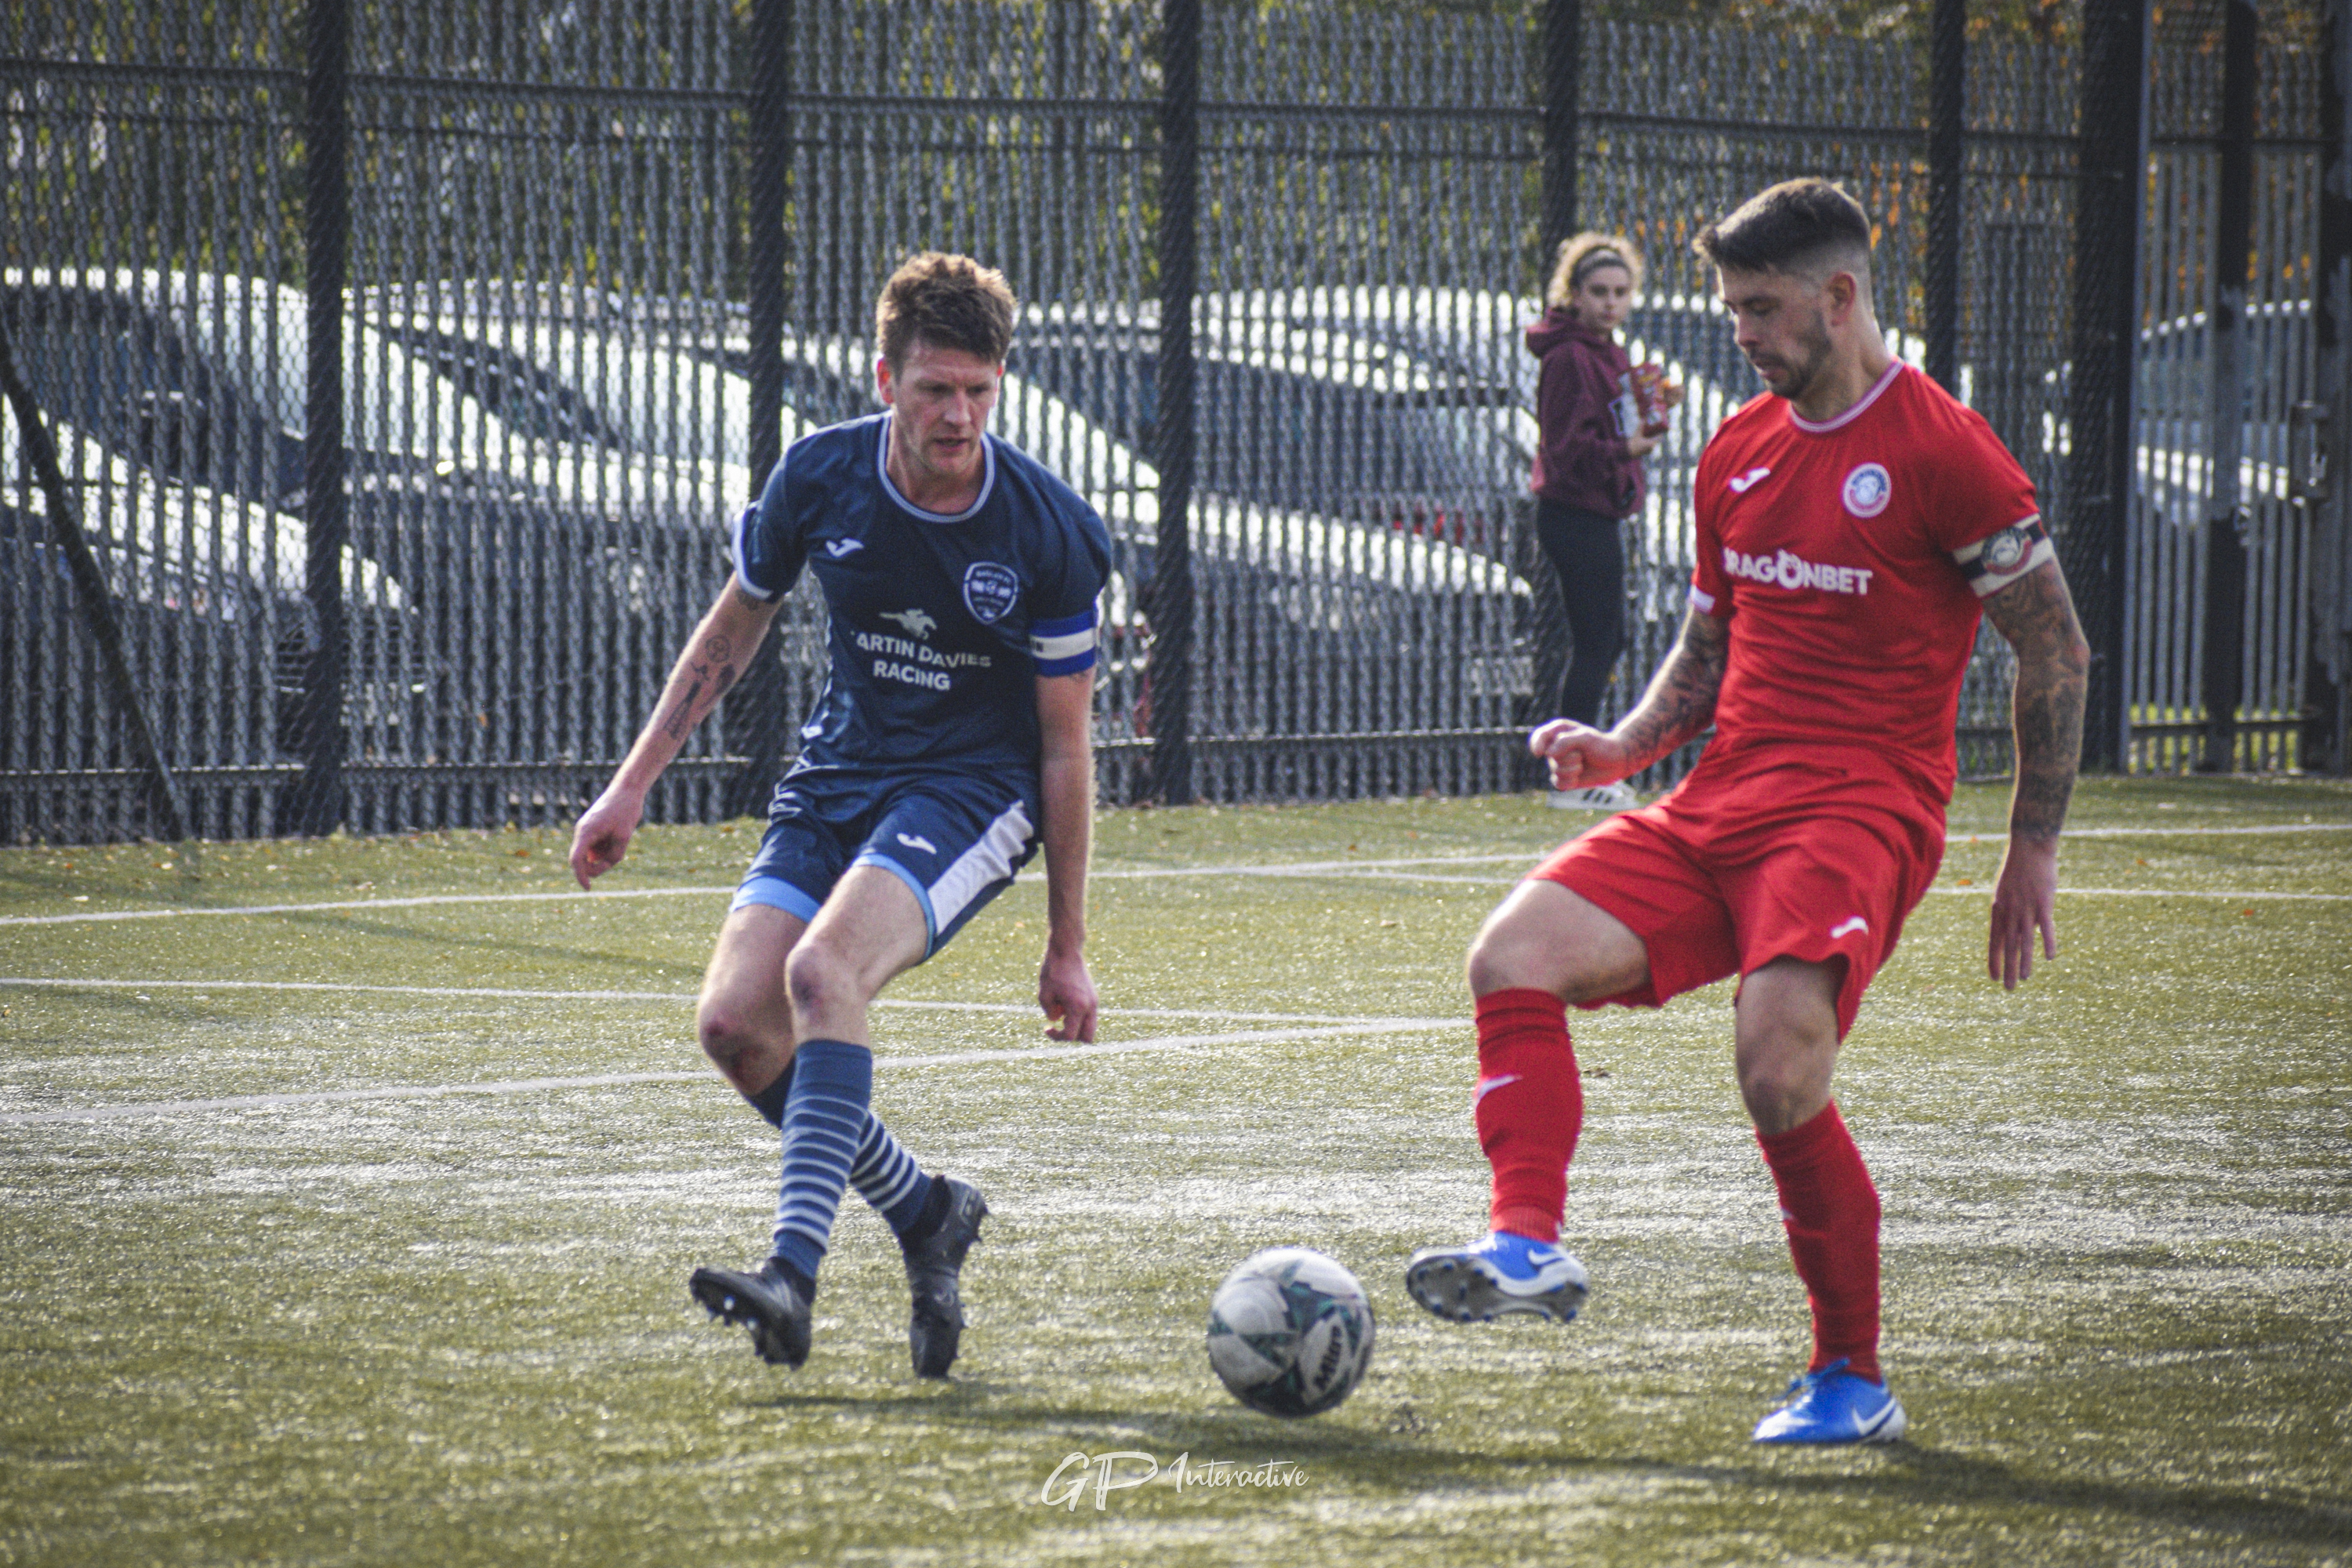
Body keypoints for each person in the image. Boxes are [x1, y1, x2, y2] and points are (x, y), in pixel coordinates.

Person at [1405, 180, 2089, 1445]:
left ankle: (1851, 1377)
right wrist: (1625, 742)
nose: (1743, 334)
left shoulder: (1945, 451)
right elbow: (1712, 639)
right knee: (1512, 955)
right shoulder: (1740, 446)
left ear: (1841, 297)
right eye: (1731, 311)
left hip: (1860, 810)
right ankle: (1526, 1245)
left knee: (1777, 1068)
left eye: (1764, 309)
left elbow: (2054, 653)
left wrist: (2030, 852)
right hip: (1717, 804)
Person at [568, 252, 1110, 1378]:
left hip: (971, 794)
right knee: (734, 1027)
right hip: (836, 778)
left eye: (978, 390)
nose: (958, 414)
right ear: (884, 380)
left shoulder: (1052, 532)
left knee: (822, 979)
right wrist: (631, 787)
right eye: (934, 390)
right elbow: (734, 626)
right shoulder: (819, 478)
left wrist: (1068, 946)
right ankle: (927, 1212)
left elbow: (1064, 745)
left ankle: (792, 1278)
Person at [1525, 231, 1684, 811]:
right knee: (1598, 639)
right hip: (1574, 511)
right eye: (1597, 292)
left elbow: (1609, 421)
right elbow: (1569, 449)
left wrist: (1655, 410)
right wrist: (1628, 449)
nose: (1610, 303)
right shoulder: (1569, 355)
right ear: (1573, 293)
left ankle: (1578, 767)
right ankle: (1574, 778)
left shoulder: (1608, 350)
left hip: (1599, 509)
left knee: (1605, 637)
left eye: (1620, 292)